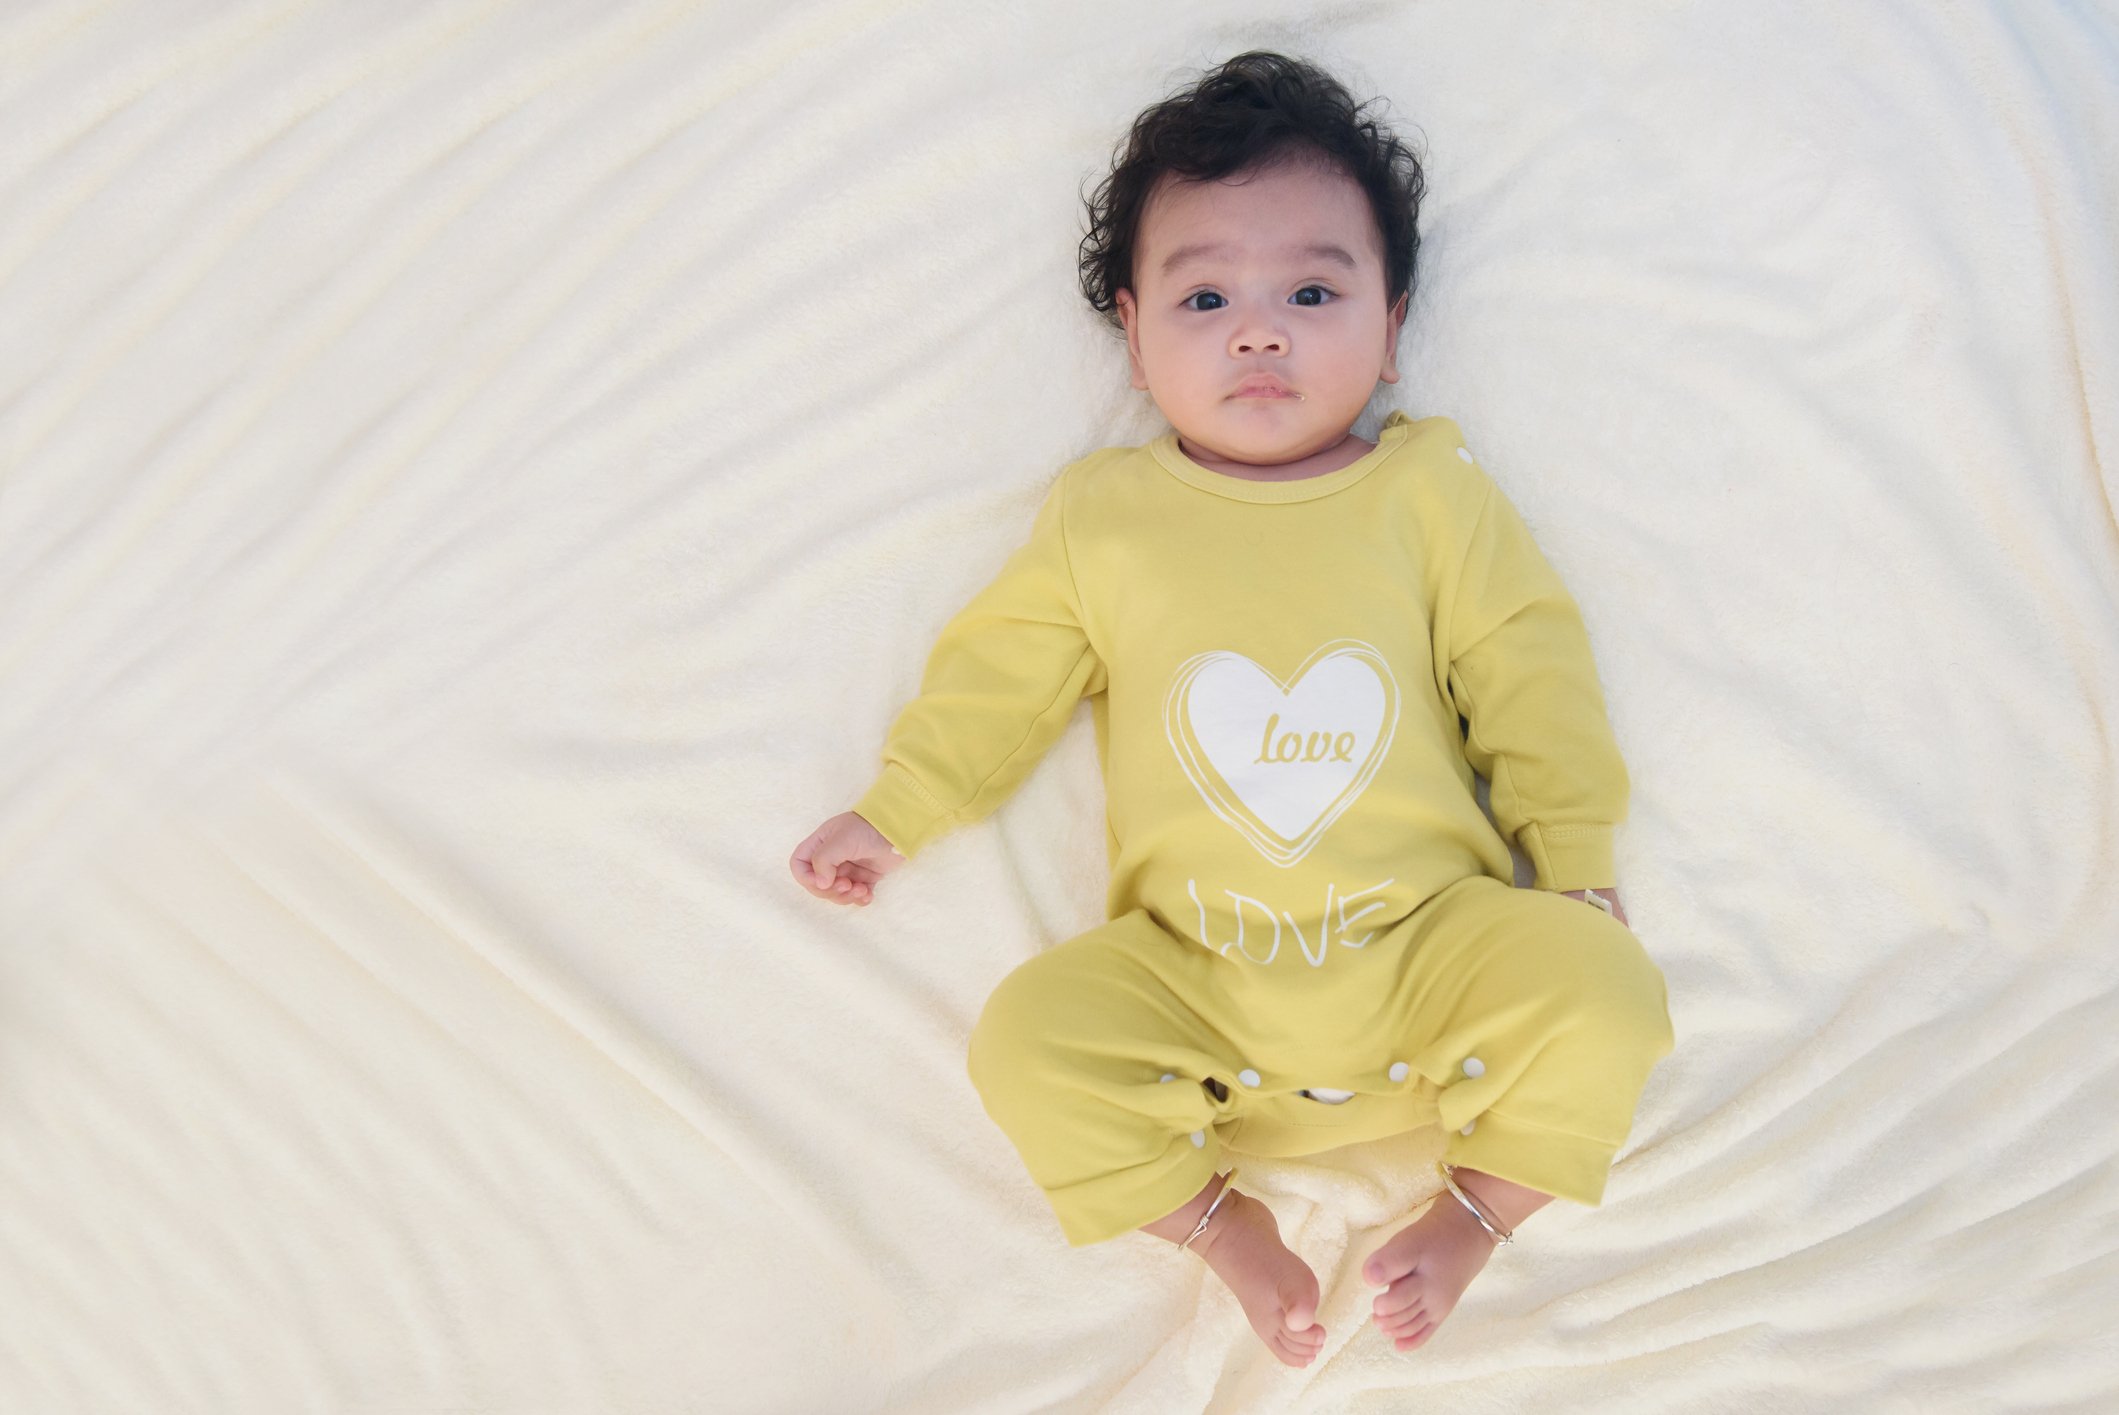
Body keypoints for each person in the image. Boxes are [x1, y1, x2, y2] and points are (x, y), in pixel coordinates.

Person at [788, 50, 1675, 1370]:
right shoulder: (1106, 519)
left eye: (1314, 292)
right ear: (1135, 339)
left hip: (1431, 948)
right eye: (1205, 297)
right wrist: (897, 808)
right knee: (1026, 1042)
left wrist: (1577, 861)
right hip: (1196, 981)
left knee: (1611, 991)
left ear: (1392, 328)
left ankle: (1477, 1214)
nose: (1260, 331)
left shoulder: (1426, 495)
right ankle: (1219, 1225)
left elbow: (1526, 666)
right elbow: (1001, 673)